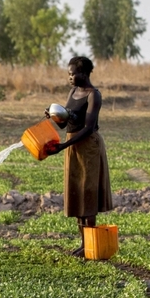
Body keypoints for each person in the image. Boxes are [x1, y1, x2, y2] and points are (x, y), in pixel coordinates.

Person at [45, 56, 113, 257]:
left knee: (88, 194)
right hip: (73, 145)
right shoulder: (73, 92)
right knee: (77, 193)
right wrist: (54, 116)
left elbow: (89, 128)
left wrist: (64, 144)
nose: (70, 77)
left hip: (88, 147)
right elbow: (65, 124)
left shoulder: (94, 95)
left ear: (84, 74)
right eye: (69, 74)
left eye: (73, 73)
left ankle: (91, 246)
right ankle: (84, 244)